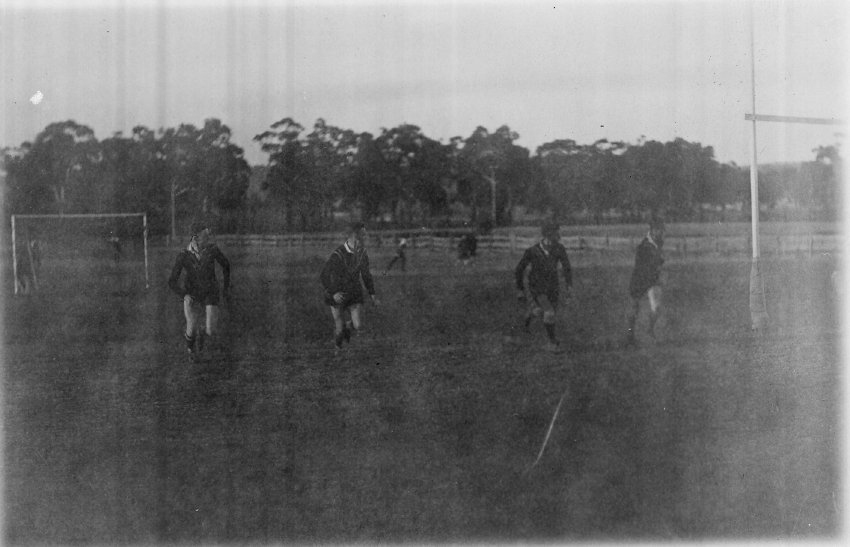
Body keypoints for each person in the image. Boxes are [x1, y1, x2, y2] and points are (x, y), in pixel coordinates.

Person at [168, 221, 231, 359]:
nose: (208, 237)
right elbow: (171, 281)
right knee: (191, 325)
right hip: (192, 293)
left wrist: (225, 288)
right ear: (195, 238)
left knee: (210, 330)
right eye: (205, 235)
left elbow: (226, 265)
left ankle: (203, 333)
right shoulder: (183, 255)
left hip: (210, 291)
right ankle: (191, 350)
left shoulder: (212, 250)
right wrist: (184, 295)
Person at [515, 222, 573, 353]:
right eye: (556, 232)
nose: (559, 235)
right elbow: (519, 270)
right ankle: (552, 343)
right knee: (549, 313)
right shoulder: (532, 251)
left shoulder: (559, 249)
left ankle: (530, 314)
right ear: (548, 233)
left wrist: (569, 285)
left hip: (553, 287)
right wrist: (520, 290)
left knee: (543, 312)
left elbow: (567, 268)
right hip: (537, 287)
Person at [320, 222, 378, 350]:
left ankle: (348, 326)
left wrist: (372, 294)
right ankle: (337, 349)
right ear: (354, 236)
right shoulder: (339, 254)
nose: (366, 237)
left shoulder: (362, 253)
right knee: (339, 329)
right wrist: (333, 293)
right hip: (337, 293)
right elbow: (324, 275)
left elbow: (366, 275)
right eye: (363, 235)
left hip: (354, 292)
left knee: (358, 325)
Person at [625, 218, 665, 346]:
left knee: (657, 308)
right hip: (640, 279)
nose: (661, 233)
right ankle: (630, 335)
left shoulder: (659, 242)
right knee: (634, 308)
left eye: (662, 230)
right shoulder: (643, 246)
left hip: (653, 279)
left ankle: (650, 330)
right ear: (652, 231)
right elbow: (641, 266)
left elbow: (658, 261)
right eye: (658, 230)